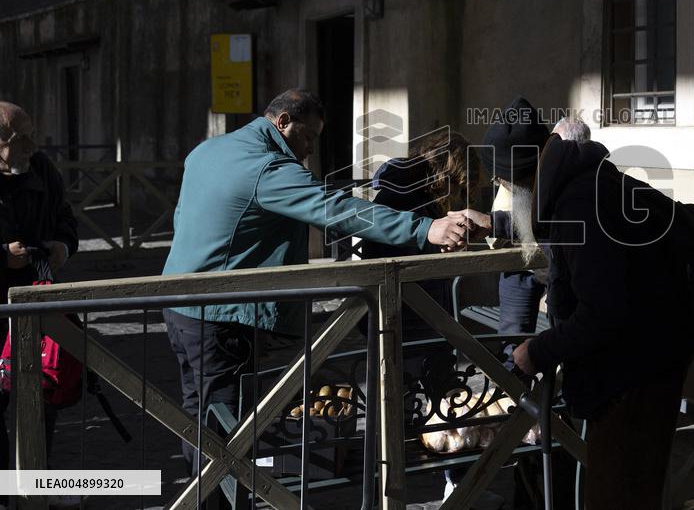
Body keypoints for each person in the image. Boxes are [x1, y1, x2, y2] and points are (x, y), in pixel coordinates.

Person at [161, 89, 476, 474]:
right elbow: (338, 210)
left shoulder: (206, 151)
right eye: (308, 135)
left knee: (197, 415)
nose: (310, 149)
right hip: (220, 316)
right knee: (230, 429)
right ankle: (216, 499)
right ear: (282, 122)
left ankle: (200, 494)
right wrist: (426, 229)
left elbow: (182, 220)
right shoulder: (267, 169)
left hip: (177, 305)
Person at [488, 135, 693, 507]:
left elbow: (602, 312)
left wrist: (536, 351)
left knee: (618, 493)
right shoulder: (588, 182)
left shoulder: (578, 205)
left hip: (634, 374)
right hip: (649, 362)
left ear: (515, 183)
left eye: (501, 185)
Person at [0, 102, 78, 471]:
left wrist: (62, 245)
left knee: (43, 391)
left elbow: (65, 217)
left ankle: (34, 482)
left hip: (38, 296)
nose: (32, 144)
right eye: (21, 138)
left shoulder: (42, 167)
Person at [360, 128, 484, 339]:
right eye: (457, 187)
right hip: (403, 311)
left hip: (412, 306)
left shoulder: (417, 190)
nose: (456, 197)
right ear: (446, 175)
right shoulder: (406, 195)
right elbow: (402, 251)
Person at [479, 97, 552, 360]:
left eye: (500, 178)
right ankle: (515, 395)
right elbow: (524, 221)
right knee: (511, 346)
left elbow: (552, 227)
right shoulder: (517, 181)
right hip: (517, 266)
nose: (497, 182)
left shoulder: (569, 191)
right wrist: (491, 223)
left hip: (557, 273)